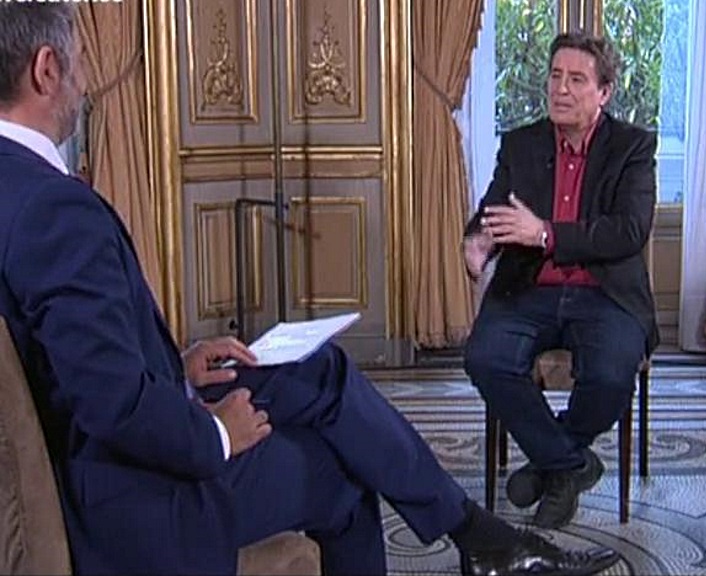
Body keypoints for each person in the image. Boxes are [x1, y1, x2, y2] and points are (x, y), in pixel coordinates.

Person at [0, 5, 622, 575]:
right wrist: (219, 434)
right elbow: (111, 406)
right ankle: (480, 537)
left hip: (121, 437)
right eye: (79, 61)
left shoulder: (17, 187)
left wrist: (178, 368)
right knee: (346, 472)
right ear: (46, 69)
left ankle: (480, 536)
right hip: (130, 497)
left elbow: (78, 363)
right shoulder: (56, 210)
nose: (85, 79)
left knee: (316, 368)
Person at [463, 31, 657, 530]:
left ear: (604, 92)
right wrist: (479, 241)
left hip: (605, 293)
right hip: (530, 288)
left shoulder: (632, 147)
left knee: (611, 375)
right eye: (555, 76)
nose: (561, 89)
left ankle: (550, 463)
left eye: (576, 79)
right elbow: (493, 210)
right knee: (485, 357)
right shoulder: (522, 144)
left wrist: (546, 233)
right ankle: (570, 465)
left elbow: (628, 230)